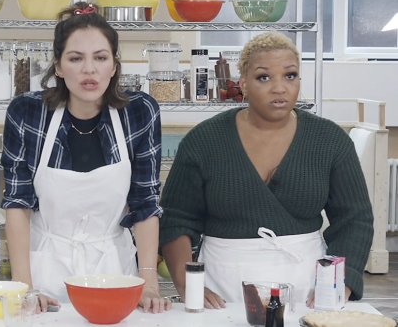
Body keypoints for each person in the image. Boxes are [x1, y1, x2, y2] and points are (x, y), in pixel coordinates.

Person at [159, 32, 374, 309]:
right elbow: (177, 219)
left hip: (307, 287)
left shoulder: (330, 140)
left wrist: (339, 284)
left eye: (290, 76)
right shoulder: (204, 141)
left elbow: (354, 219)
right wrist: (186, 282)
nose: (279, 88)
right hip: (221, 287)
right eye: (264, 77)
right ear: (243, 84)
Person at [1, 2, 171, 314]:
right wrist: (25, 287)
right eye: (76, 58)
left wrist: (149, 283)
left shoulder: (139, 112)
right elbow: (17, 203)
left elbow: (145, 201)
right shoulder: (27, 112)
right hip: (44, 275)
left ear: (114, 66)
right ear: (59, 66)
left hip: (115, 273)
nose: (89, 69)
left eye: (100, 58)